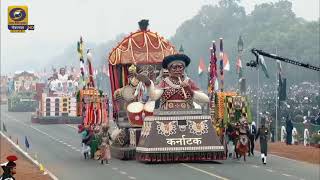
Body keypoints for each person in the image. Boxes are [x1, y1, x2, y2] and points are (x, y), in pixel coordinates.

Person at [136, 54, 209, 110]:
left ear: (184, 69)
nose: (178, 70)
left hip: (187, 114)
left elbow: (206, 99)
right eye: (174, 67)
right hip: (167, 116)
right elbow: (154, 96)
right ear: (169, 69)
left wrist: (190, 91)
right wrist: (148, 83)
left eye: (180, 67)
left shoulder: (189, 82)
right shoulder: (164, 82)